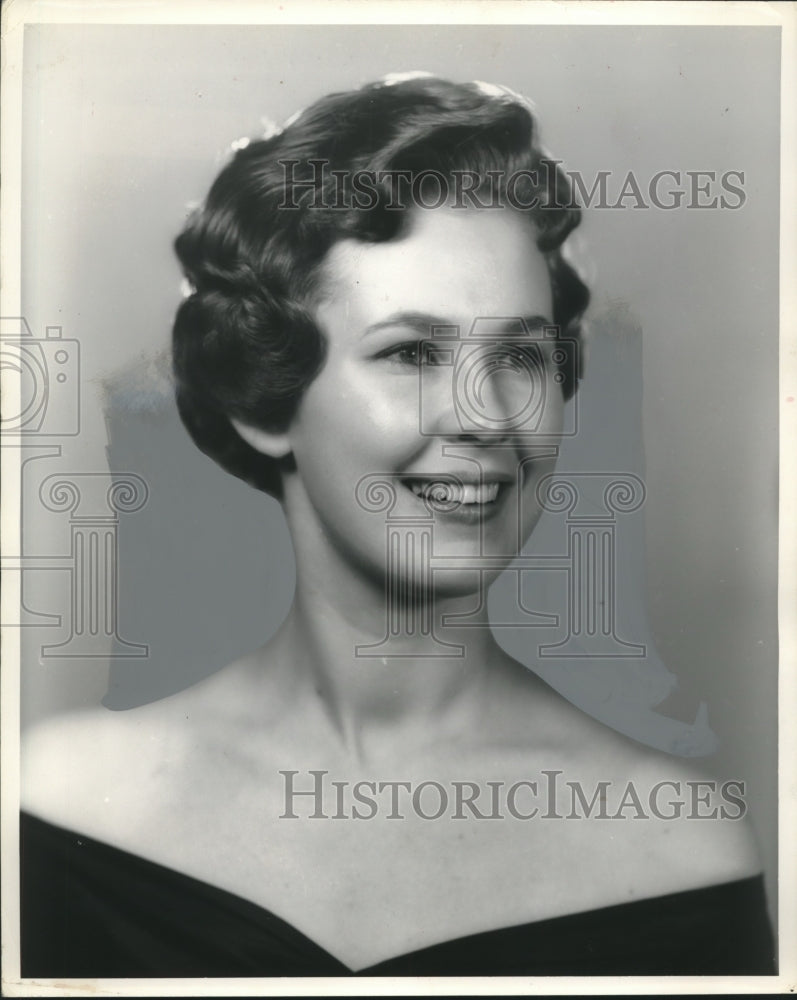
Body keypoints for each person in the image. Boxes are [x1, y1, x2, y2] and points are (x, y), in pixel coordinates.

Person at [20, 73, 775, 977]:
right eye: (412, 353)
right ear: (267, 397)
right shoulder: (54, 804)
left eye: (521, 355)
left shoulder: (682, 852)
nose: (484, 415)